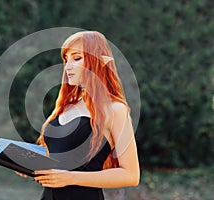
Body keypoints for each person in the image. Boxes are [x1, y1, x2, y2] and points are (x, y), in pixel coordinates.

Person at [16, 31, 140, 200]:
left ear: (98, 60)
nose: (67, 67)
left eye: (77, 58)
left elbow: (131, 175)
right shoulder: (67, 106)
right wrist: (29, 163)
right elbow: (60, 155)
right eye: (66, 60)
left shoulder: (115, 109)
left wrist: (70, 177)